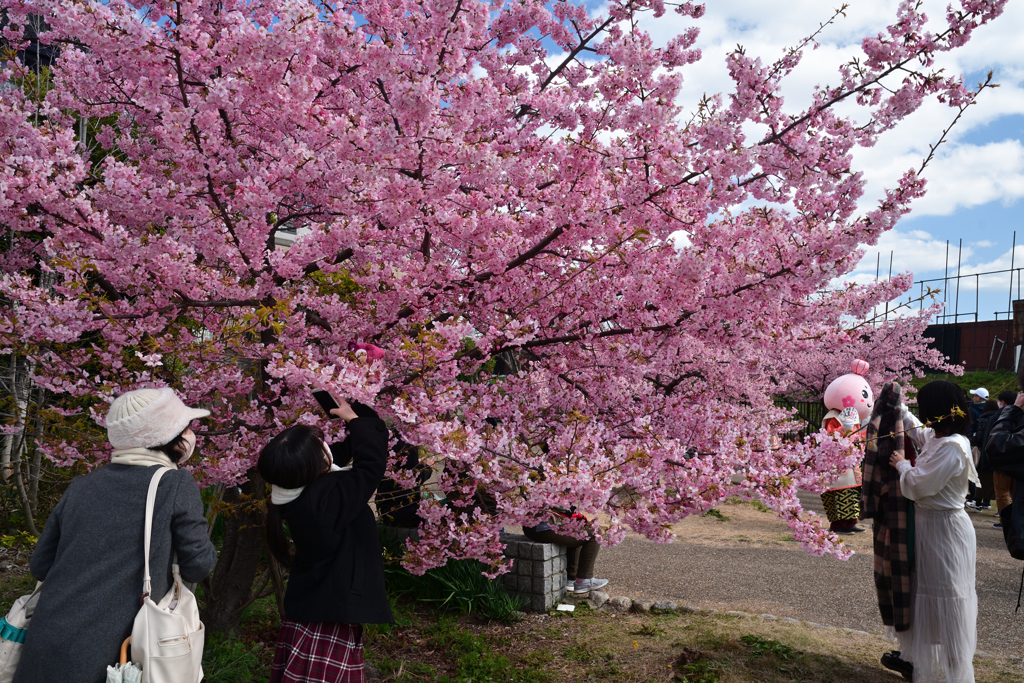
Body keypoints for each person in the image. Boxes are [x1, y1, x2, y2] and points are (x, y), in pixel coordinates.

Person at [14, 387, 219, 683]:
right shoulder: (175, 485)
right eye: (186, 426)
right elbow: (198, 566)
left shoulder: (81, 486)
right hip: (111, 658)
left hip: (46, 641)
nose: (191, 433)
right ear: (169, 436)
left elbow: (40, 566)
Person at [259, 396, 393, 683]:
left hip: (313, 608)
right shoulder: (327, 499)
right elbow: (370, 466)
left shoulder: (295, 493)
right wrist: (357, 423)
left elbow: (334, 457)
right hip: (331, 616)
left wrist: (356, 414)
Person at [890, 380, 979, 683]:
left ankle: (958, 674)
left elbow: (918, 485)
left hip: (946, 532)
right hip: (931, 528)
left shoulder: (953, 447)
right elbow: (918, 431)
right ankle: (914, 662)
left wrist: (902, 465)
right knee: (927, 591)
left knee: (949, 599)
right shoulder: (939, 438)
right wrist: (896, 405)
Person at [861, 382, 918, 681]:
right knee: (902, 571)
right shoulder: (894, 423)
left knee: (892, 570)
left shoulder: (880, 423)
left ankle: (909, 650)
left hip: (893, 504)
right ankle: (909, 650)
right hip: (901, 505)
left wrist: (869, 501)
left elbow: (872, 464)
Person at [523, 508, 608, 595]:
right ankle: (584, 579)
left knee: (575, 528)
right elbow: (561, 506)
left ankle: (572, 579)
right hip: (544, 527)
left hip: (534, 527)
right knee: (595, 533)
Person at [988, 390, 1019, 520]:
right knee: (1015, 493)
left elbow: (992, 440)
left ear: (1003, 402)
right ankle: (1016, 519)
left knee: (1001, 493)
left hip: (1001, 461)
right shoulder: (1020, 415)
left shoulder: (999, 416)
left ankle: (1005, 520)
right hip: (1017, 462)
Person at [966, 399, 999, 512]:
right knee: (991, 480)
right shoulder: (1000, 417)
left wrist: (973, 439)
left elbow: (980, 437)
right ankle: (986, 502)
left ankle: (977, 502)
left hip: (983, 453)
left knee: (980, 478)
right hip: (996, 455)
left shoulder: (984, 419)